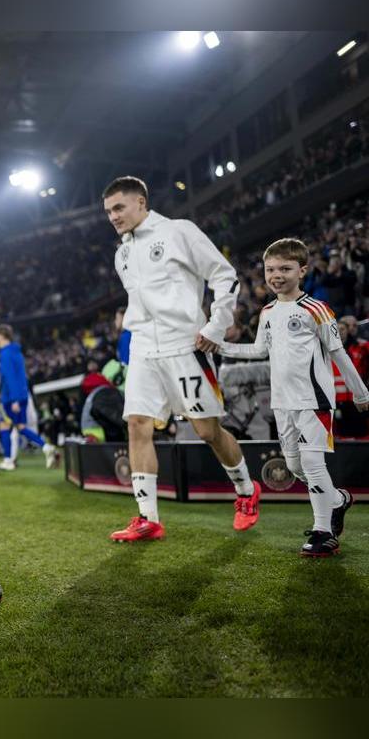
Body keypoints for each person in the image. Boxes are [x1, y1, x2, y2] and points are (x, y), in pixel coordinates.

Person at [104, 175, 260, 542]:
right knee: (137, 424)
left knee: (207, 430)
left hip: (186, 346)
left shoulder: (178, 231)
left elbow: (224, 276)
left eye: (119, 207)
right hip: (143, 347)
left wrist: (216, 326)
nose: (113, 216)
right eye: (108, 211)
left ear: (141, 202)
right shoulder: (121, 253)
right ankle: (148, 518)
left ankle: (246, 490)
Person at [221, 238, 368, 556]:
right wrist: (221, 346)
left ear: (302, 270)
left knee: (314, 464)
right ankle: (339, 500)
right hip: (282, 402)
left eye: (285, 268)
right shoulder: (268, 311)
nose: (276, 275)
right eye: (270, 269)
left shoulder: (317, 309)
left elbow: (339, 354)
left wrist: (360, 392)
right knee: (295, 466)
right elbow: (259, 350)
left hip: (313, 400)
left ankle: (323, 531)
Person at [0, 325, 58, 471]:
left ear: (2, 336)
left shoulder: (5, 353)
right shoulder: (16, 352)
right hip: (22, 395)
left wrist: (14, 399)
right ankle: (46, 447)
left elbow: (10, 378)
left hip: (10, 398)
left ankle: (8, 460)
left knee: (4, 426)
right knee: (21, 427)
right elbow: (20, 377)